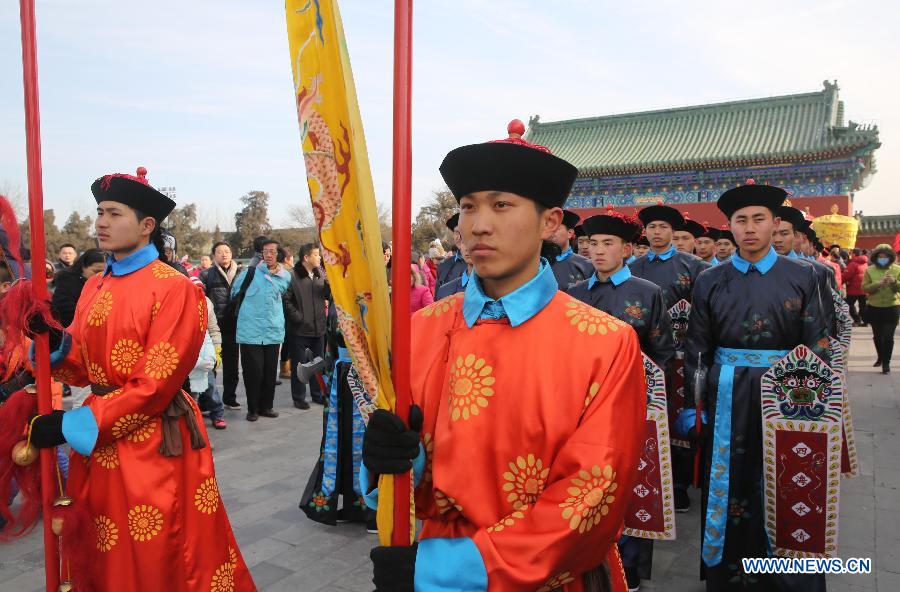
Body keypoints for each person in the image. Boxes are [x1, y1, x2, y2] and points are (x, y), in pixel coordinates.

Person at [362, 124, 645, 591]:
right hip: (426, 554)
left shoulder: (605, 342)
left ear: (550, 222)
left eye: (501, 204)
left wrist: (447, 570)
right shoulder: (420, 329)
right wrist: (389, 462)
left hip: (544, 576)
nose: (477, 224)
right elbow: (406, 474)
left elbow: (592, 494)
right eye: (468, 206)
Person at [24, 167, 255, 591]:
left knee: (158, 552)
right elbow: (79, 363)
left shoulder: (176, 289)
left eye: (114, 213)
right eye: (99, 213)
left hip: (151, 439)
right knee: (102, 546)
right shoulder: (96, 285)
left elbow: (155, 385)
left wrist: (72, 424)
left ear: (147, 225)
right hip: (99, 440)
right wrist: (53, 343)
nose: (101, 223)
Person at [684, 179, 830, 592]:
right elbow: (698, 348)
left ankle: (790, 576)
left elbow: (817, 342)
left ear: (775, 224)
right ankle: (727, 574)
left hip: (786, 393)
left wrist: (811, 405)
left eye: (758, 220)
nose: (749, 228)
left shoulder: (804, 277)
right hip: (727, 391)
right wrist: (697, 406)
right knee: (727, 483)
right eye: (740, 220)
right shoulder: (710, 281)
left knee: (785, 480)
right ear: (729, 227)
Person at [567, 208, 675, 591]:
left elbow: (662, 352)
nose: (597, 251)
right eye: (592, 244)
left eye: (607, 244)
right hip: (581, 408)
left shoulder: (648, 294)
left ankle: (629, 572)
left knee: (633, 487)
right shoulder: (574, 295)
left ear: (627, 248)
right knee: (585, 485)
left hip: (633, 406)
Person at [629, 202, 709, 513]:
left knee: (683, 417)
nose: (657, 232)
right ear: (644, 232)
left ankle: (680, 485)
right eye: (651, 227)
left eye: (663, 227)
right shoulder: (632, 269)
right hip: (647, 358)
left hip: (685, 357)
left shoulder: (695, 267)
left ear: (673, 232)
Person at [300, 303, 376, 531]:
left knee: (367, 441)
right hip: (340, 378)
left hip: (367, 378)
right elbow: (330, 344)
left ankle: (372, 509)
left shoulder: (374, 295)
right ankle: (353, 506)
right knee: (340, 440)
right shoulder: (337, 297)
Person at [232, 238, 291, 421]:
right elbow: (234, 292)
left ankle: (267, 406)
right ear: (261, 254)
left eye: (273, 251)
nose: (269, 254)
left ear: (278, 254)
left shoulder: (285, 276)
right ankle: (253, 409)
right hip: (250, 331)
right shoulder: (249, 273)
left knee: (269, 372)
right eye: (266, 251)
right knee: (253, 372)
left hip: (273, 330)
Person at [283, 243, 330, 409]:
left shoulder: (320, 275)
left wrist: (329, 284)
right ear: (306, 257)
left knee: (318, 364)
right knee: (301, 364)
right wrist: (297, 317)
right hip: (300, 329)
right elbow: (286, 300)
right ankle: (299, 397)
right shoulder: (293, 276)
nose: (319, 258)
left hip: (319, 328)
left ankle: (318, 394)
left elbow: (327, 295)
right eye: (316, 255)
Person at [200, 241, 242, 410]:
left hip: (235, 326)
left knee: (232, 365)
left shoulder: (241, 273)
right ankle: (207, 401)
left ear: (232, 254)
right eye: (219, 252)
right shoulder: (206, 275)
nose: (224, 254)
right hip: (214, 328)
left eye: (227, 251)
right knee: (211, 365)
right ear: (214, 256)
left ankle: (230, 398)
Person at [863, 244, 900, 374]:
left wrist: (895, 282)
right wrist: (878, 284)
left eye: (885, 257)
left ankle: (886, 363)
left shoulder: (897, 269)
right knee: (878, 337)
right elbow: (865, 288)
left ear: (890, 257)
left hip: (892, 307)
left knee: (888, 337)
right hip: (875, 308)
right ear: (875, 257)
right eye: (880, 257)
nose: (882, 259)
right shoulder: (869, 270)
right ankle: (880, 356)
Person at [51, 248, 106, 327]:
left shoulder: (106, 283)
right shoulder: (67, 282)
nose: (100, 276)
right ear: (83, 267)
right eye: (96, 271)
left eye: (105, 272)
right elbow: (65, 312)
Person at [548, 209, 593, 289]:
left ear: (570, 233)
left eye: (557, 229)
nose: (551, 232)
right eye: (549, 228)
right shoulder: (538, 264)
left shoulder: (587, 265)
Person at [436, 213, 467, 288]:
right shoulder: (444, 266)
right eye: (456, 232)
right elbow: (438, 297)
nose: (459, 237)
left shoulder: (485, 264)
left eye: (463, 232)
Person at [845, 248, 869, 326]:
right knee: (863, 305)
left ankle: (857, 319)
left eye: (851, 253)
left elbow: (847, 275)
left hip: (853, 289)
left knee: (849, 304)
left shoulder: (852, 264)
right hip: (863, 288)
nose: (850, 255)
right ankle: (865, 321)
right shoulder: (865, 263)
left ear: (854, 254)